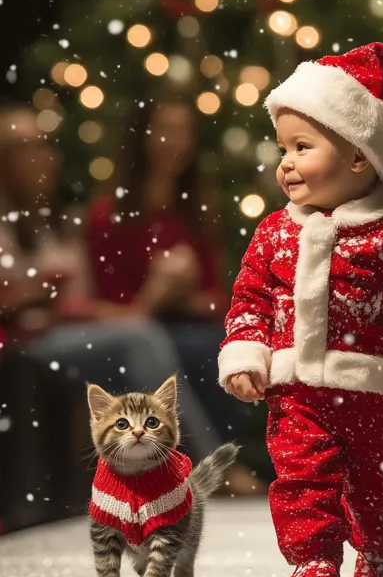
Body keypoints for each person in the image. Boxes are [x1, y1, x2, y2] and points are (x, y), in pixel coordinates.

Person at [218, 42, 383, 577]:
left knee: (380, 487)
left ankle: (381, 546)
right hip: (298, 389)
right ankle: (313, 559)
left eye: (303, 147)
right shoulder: (274, 232)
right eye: (282, 147)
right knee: (302, 477)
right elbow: (250, 299)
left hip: (376, 392)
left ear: (360, 157)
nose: (285, 162)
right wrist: (245, 352)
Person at [0, 102, 223, 493]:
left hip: (72, 330)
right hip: (27, 341)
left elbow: (85, 301)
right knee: (141, 337)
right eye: (25, 146)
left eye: (43, 145)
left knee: (186, 341)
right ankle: (205, 469)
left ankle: (170, 476)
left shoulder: (53, 220)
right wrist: (35, 295)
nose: (43, 158)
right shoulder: (103, 215)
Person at [86, 93, 264, 495]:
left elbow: (217, 292)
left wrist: (191, 298)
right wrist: (154, 293)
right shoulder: (108, 214)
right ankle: (204, 468)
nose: (177, 142)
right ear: (142, 138)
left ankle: (221, 462)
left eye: (184, 131)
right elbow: (110, 308)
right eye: (166, 130)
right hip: (139, 328)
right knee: (171, 350)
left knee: (218, 348)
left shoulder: (197, 208)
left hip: (185, 324)